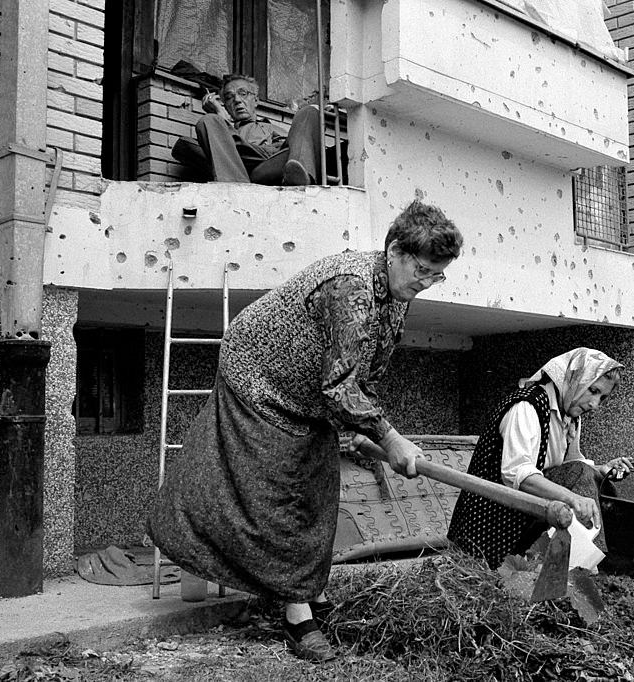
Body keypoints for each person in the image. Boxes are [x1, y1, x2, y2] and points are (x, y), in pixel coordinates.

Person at [148, 200, 463, 662]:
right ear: (395, 250)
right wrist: (390, 438)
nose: (426, 281)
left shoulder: (395, 299)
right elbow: (339, 386)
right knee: (282, 496)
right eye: (422, 269)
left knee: (318, 489)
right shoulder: (352, 288)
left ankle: (310, 591)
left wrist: (360, 431)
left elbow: (360, 375)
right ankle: (299, 620)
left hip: (309, 398)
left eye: (437, 274)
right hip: (258, 381)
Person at [447, 347, 630, 570]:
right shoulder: (526, 405)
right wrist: (573, 498)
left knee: (590, 478)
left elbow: (570, 466)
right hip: (490, 526)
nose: (595, 404)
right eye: (592, 390)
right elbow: (518, 474)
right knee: (580, 481)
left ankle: (581, 568)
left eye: (602, 397)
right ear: (573, 378)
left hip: (524, 517)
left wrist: (600, 470)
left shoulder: (569, 415)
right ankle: (590, 571)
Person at [191, 73, 322, 185]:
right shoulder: (220, 127)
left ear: (256, 100)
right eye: (229, 97)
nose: (237, 100)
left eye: (243, 93)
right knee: (207, 120)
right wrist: (221, 116)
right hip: (244, 169)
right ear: (225, 105)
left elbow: (290, 147)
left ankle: (300, 178)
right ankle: (235, 186)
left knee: (309, 112)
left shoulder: (270, 128)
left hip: (271, 163)